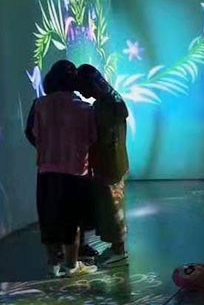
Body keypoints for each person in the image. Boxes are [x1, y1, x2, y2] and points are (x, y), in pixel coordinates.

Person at [24, 60, 97, 277]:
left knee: (49, 217)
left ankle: (53, 264)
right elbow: (93, 138)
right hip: (76, 171)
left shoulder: (39, 104)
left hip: (46, 170)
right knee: (72, 219)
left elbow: (29, 132)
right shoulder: (85, 109)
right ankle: (71, 265)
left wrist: (46, 148)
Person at [76, 65, 130, 266]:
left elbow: (104, 137)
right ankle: (116, 247)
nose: (81, 92)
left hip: (108, 164)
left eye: (82, 87)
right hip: (113, 161)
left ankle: (119, 251)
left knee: (112, 208)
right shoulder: (111, 100)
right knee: (113, 206)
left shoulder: (106, 105)